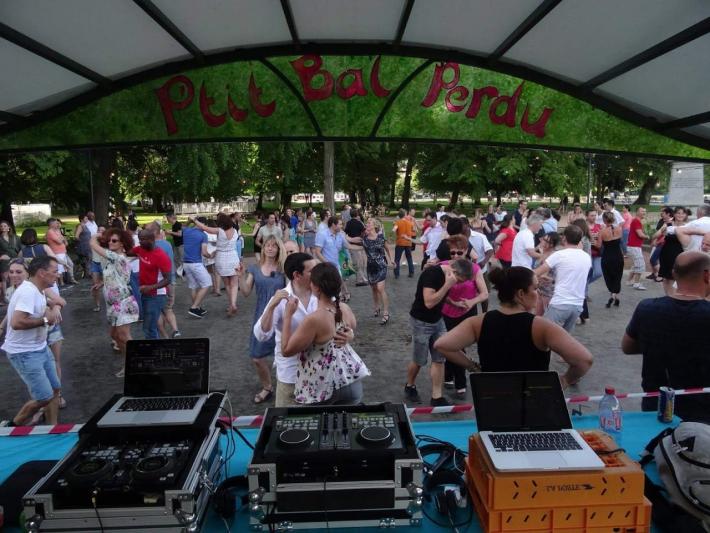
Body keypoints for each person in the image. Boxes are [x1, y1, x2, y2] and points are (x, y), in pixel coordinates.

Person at [433, 266, 593, 387]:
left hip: (492, 394)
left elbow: (442, 345)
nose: (538, 293)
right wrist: (565, 380)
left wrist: (472, 367)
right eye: (535, 288)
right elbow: (584, 360)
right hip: (533, 395)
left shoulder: (478, 322)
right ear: (521, 294)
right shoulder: (542, 326)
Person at [622, 251, 710, 422]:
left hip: (655, 408)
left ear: (674, 274)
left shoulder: (647, 308)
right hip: (702, 414)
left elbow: (627, 347)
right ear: (706, 275)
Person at [281, 262, 369, 405]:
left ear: (316, 288)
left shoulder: (314, 319)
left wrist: (287, 316)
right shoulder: (344, 308)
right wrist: (350, 335)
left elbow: (286, 350)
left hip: (322, 386)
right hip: (349, 381)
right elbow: (351, 327)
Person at [1, 256, 63, 426]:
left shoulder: (38, 289)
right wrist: (45, 320)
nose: (58, 275)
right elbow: (16, 322)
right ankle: (12, 425)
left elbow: (58, 303)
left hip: (40, 348)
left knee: (55, 389)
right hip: (24, 353)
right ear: (42, 273)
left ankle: (53, 428)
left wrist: (55, 309)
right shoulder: (28, 292)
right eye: (55, 271)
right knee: (43, 396)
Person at [405, 258, 474, 407]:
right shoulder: (432, 274)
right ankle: (409, 385)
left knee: (439, 357)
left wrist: (454, 303)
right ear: (454, 272)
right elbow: (429, 302)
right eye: (460, 280)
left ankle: (437, 396)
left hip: (438, 320)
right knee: (419, 360)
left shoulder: (448, 275)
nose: (459, 284)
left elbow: (442, 296)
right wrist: (448, 284)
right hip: (421, 321)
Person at [239, 235, 286, 404]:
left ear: (279, 249)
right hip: (262, 316)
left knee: (287, 353)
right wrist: (239, 276)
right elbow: (245, 292)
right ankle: (267, 387)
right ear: (263, 247)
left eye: (274, 245)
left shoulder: (283, 269)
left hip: (282, 316)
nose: (270, 248)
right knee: (257, 357)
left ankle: (289, 386)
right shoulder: (255, 268)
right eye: (267, 245)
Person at [440, 236, 488, 397]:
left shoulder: (474, 269)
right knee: (450, 346)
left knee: (458, 347)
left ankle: (455, 378)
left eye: (459, 252)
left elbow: (484, 294)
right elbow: (437, 293)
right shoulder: (444, 267)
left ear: (466, 251)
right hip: (447, 313)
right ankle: (454, 380)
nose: (455, 256)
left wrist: (471, 301)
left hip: (467, 313)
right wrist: (452, 301)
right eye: (452, 253)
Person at [90, 229, 140, 377]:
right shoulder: (113, 260)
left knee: (123, 336)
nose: (110, 243)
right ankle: (129, 363)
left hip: (123, 303)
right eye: (109, 240)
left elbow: (93, 244)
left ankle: (135, 364)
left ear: (122, 243)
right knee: (116, 336)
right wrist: (101, 284)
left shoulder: (118, 257)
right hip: (114, 304)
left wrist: (98, 236)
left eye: (114, 241)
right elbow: (115, 277)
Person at [534, 225, 590, 333]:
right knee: (564, 338)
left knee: (544, 334)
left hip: (560, 303)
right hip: (577, 305)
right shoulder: (586, 257)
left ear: (564, 238)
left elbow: (537, 272)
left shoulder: (559, 255)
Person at [193, 213, 240, 316]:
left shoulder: (219, 231)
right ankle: (233, 304)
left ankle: (231, 304)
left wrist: (194, 220)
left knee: (227, 284)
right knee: (235, 284)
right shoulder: (235, 231)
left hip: (221, 258)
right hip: (233, 257)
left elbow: (205, 228)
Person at [131, 229, 171, 339]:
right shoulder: (141, 249)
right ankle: (153, 349)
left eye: (143, 240)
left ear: (151, 239)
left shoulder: (161, 256)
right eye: (139, 240)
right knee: (149, 325)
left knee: (149, 327)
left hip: (156, 295)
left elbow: (168, 279)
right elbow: (127, 252)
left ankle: (153, 352)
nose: (140, 242)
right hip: (145, 293)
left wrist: (150, 287)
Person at [314, 216, 361, 301]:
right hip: (326, 267)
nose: (342, 226)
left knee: (337, 285)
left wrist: (364, 248)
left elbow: (348, 246)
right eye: (340, 224)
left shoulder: (340, 235)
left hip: (336, 265)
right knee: (330, 289)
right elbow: (317, 252)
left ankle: (339, 301)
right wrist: (327, 264)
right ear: (333, 225)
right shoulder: (322, 234)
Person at [361, 218, 394, 325]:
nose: (367, 224)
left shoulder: (380, 238)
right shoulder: (364, 238)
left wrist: (392, 260)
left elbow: (388, 248)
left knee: (380, 288)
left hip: (381, 265)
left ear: (374, 225)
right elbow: (353, 241)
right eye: (367, 223)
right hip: (371, 266)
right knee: (374, 289)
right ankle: (377, 307)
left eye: (369, 223)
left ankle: (386, 312)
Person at [182, 217, 214, 317]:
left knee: (193, 286)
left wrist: (190, 221)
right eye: (204, 225)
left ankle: (197, 307)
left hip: (186, 264)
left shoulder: (186, 231)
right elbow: (204, 253)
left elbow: (183, 226)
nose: (205, 227)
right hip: (196, 263)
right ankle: (194, 307)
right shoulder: (203, 235)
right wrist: (211, 255)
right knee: (207, 283)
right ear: (202, 224)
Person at [467, 221, 494, 312]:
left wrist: (483, 262)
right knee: (468, 294)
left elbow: (490, 250)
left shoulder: (480, 236)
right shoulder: (459, 237)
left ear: (467, 225)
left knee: (484, 294)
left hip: (481, 271)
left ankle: (484, 313)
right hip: (466, 273)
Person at [599, 211, 624, 308]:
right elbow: (619, 242)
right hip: (618, 256)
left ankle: (613, 295)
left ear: (604, 220)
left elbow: (598, 245)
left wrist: (594, 239)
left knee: (608, 277)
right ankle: (616, 297)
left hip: (607, 257)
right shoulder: (619, 229)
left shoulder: (602, 232)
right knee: (617, 277)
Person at [535, 231, 560, 315]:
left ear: (552, 244)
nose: (542, 241)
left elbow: (543, 276)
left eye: (545, 240)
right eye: (543, 239)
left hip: (548, 291)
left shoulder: (552, 255)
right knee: (537, 315)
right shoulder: (544, 252)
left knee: (548, 318)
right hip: (540, 289)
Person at [626, 207, 649, 290]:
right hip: (634, 246)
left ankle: (629, 281)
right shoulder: (636, 221)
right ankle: (636, 283)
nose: (644, 212)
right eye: (642, 211)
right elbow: (640, 234)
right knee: (640, 265)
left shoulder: (636, 221)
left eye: (645, 211)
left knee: (636, 264)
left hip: (633, 246)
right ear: (637, 212)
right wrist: (647, 236)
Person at [344, 208, 368, 286]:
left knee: (356, 262)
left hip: (352, 245)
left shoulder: (348, 223)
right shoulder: (359, 223)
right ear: (357, 214)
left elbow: (346, 233)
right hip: (360, 245)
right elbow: (364, 232)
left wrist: (350, 239)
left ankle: (360, 278)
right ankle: (360, 279)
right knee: (361, 262)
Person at [0, 220, 22, 303]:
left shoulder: (15, 237)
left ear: (9, 228)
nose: (3, 228)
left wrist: (19, 257)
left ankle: (14, 295)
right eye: (1, 226)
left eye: (5, 226)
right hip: (4, 261)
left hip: (15, 260)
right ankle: (5, 297)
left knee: (14, 277)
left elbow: (21, 248)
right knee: (5, 278)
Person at [393, 208, 415, 278]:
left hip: (400, 242)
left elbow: (394, 230)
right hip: (408, 242)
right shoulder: (409, 222)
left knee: (397, 259)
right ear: (405, 215)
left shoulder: (398, 222)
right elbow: (414, 229)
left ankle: (397, 274)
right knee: (409, 257)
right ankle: (411, 272)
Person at [73, 213, 92, 280]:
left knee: (87, 260)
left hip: (87, 246)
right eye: (86, 218)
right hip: (83, 246)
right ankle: (86, 274)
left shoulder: (85, 225)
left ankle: (87, 273)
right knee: (85, 260)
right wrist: (82, 241)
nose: (87, 219)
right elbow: (76, 236)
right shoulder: (81, 226)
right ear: (81, 219)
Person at [165, 212, 184, 278]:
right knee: (176, 258)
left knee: (181, 259)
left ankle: (183, 273)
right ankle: (179, 272)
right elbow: (175, 234)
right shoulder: (173, 225)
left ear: (171, 217)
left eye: (167, 218)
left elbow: (180, 234)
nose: (167, 220)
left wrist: (170, 232)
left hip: (181, 244)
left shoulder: (178, 224)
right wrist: (169, 233)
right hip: (176, 244)